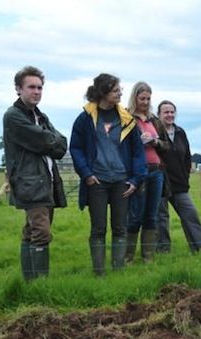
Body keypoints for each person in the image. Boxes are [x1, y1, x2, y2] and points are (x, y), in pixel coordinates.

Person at [70, 73, 146, 276]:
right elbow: (75, 148)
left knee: (120, 227)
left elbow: (138, 152)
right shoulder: (85, 119)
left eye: (119, 89)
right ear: (103, 92)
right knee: (98, 229)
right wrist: (86, 173)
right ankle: (99, 273)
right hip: (97, 181)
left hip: (122, 180)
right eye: (115, 90)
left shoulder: (127, 119)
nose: (121, 93)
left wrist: (135, 179)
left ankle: (118, 271)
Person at [3, 65, 67, 281]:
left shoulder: (40, 116)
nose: (37, 91)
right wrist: (47, 140)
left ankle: (30, 282)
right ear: (18, 89)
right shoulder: (13, 116)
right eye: (31, 87)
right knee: (41, 231)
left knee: (32, 230)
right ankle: (39, 283)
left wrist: (47, 140)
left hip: (46, 180)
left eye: (40, 87)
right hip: (29, 181)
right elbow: (44, 140)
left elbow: (61, 145)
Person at [124, 82, 169, 263]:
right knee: (136, 215)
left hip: (157, 171)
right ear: (135, 98)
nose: (145, 102)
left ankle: (147, 257)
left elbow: (166, 145)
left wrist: (155, 142)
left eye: (148, 98)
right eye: (142, 98)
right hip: (139, 171)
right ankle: (127, 257)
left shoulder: (154, 120)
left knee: (152, 215)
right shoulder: (127, 118)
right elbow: (122, 146)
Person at [155, 100, 201, 253]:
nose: (170, 115)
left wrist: (185, 176)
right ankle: (163, 250)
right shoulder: (155, 133)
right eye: (166, 112)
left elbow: (186, 157)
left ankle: (200, 248)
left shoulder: (180, 132)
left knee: (190, 214)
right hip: (160, 183)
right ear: (159, 115)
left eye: (172, 112)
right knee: (161, 218)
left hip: (179, 184)